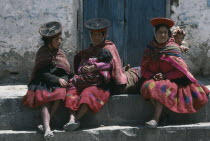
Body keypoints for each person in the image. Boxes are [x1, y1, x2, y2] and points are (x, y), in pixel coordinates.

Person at [140, 17, 210, 128]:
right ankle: (164, 115)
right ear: (155, 33)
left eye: (165, 32)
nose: (162, 35)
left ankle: (156, 119)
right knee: (147, 85)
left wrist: (165, 76)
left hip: (174, 80)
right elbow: (143, 69)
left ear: (168, 34)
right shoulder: (149, 49)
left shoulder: (173, 48)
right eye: (159, 32)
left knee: (161, 87)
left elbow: (182, 71)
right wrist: (153, 75)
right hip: (154, 78)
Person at [63, 18, 127, 131]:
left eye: (99, 35)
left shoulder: (109, 48)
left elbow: (112, 65)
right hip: (84, 80)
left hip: (101, 84)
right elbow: (81, 64)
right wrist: (84, 69)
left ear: (104, 35)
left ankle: (77, 119)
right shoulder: (90, 50)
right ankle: (71, 119)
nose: (96, 38)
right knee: (71, 90)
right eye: (94, 35)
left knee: (88, 93)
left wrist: (95, 67)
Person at [22, 21, 70, 140]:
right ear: (49, 41)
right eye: (57, 39)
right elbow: (42, 73)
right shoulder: (42, 53)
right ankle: (48, 129)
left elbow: (66, 71)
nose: (60, 42)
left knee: (60, 94)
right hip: (42, 82)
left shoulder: (60, 53)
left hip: (57, 83)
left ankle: (45, 124)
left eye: (60, 39)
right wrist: (57, 80)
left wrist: (63, 79)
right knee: (45, 98)